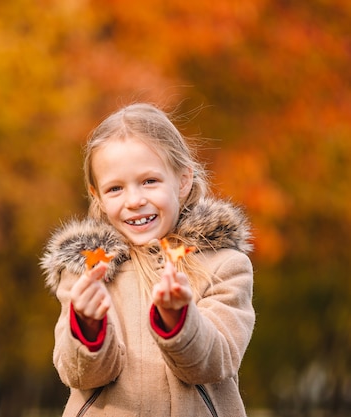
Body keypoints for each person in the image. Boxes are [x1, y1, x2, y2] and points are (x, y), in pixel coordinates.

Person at [40, 103, 255, 417]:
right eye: (115, 188)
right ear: (96, 195)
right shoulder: (86, 271)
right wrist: (87, 325)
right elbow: (77, 374)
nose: (134, 200)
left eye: (149, 181)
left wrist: (179, 319)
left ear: (182, 180)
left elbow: (216, 362)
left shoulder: (222, 264)